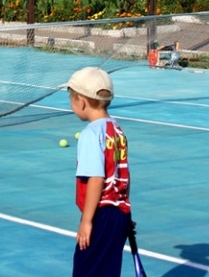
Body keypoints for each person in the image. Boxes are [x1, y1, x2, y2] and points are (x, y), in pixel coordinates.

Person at [65, 66, 131, 277]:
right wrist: (125, 212)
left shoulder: (91, 134)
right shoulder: (117, 130)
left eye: (71, 99)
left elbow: (96, 178)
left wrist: (86, 221)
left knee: (86, 271)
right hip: (119, 214)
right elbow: (123, 174)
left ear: (81, 101)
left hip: (100, 215)